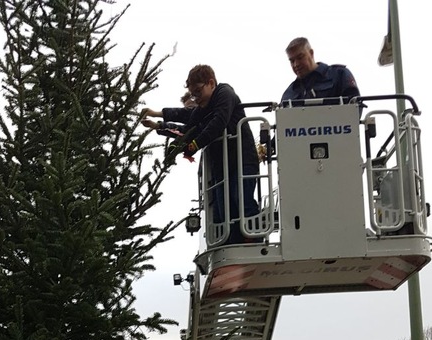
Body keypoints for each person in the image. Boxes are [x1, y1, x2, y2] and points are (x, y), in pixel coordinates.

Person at [141, 64, 260, 241]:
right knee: (222, 209)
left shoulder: (224, 94)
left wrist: (195, 145)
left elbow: (219, 122)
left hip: (243, 159)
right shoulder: (204, 107)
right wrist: (159, 120)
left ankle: (254, 241)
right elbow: (187, 125)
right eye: (192, 94)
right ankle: (230, 244)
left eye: (197, 92)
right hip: (221, 166)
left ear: (211, 83)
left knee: (241, 199)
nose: (196, 98)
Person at [281, 37, 360, 104]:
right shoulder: (289, 93)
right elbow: (282, 120)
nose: (296, 64)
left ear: (311, 53)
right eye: (292, 61)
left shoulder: (339, 75)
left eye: (300, 57)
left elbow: (355, 108)